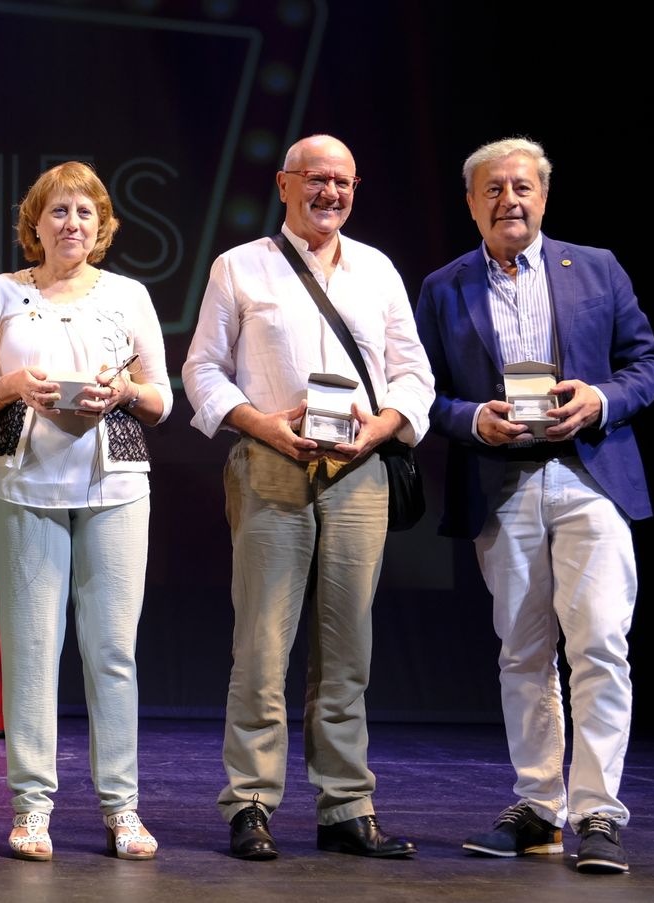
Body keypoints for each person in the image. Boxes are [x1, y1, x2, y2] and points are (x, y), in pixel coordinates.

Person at [415, 137, 654, 875]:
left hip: (591, 477)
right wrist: (469, 420)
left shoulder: (596, 267)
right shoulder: (443, 285)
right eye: (492, 190)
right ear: (471, 202)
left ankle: (597, 813)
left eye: (521, 187)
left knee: (599, 647)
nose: (508, 201)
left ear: (544, 196)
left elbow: (647, 364)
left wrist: (600, 398)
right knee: (522, 652)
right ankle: (538, 807)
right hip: (504, 484)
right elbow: (418, 391)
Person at [183, 135, 434, 860]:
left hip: (359, 473)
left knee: (347, 649)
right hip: (270, 465)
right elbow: (201, 370)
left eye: (344, 181)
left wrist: (382, 427)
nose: (331, 192)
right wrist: (262, 424)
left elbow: (414, 376)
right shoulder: (240, 266)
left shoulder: (378, 269)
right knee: (262, 645)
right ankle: (252, 803)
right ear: (284, 184)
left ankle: (347, 806)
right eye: (317, 179)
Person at [0, 161, 172, 862]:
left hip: (115, 487)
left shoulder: (129, 295)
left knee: (112, 650)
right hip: (24, 486)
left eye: (84, 212)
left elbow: (163, 397)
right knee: (30, 651)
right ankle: (31, 808)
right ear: (36, 223)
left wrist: (124, 391)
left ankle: (122, 808)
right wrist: (15, 382)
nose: (71, 224)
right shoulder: (1, 293)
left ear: (102, 226)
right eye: (58, 212)